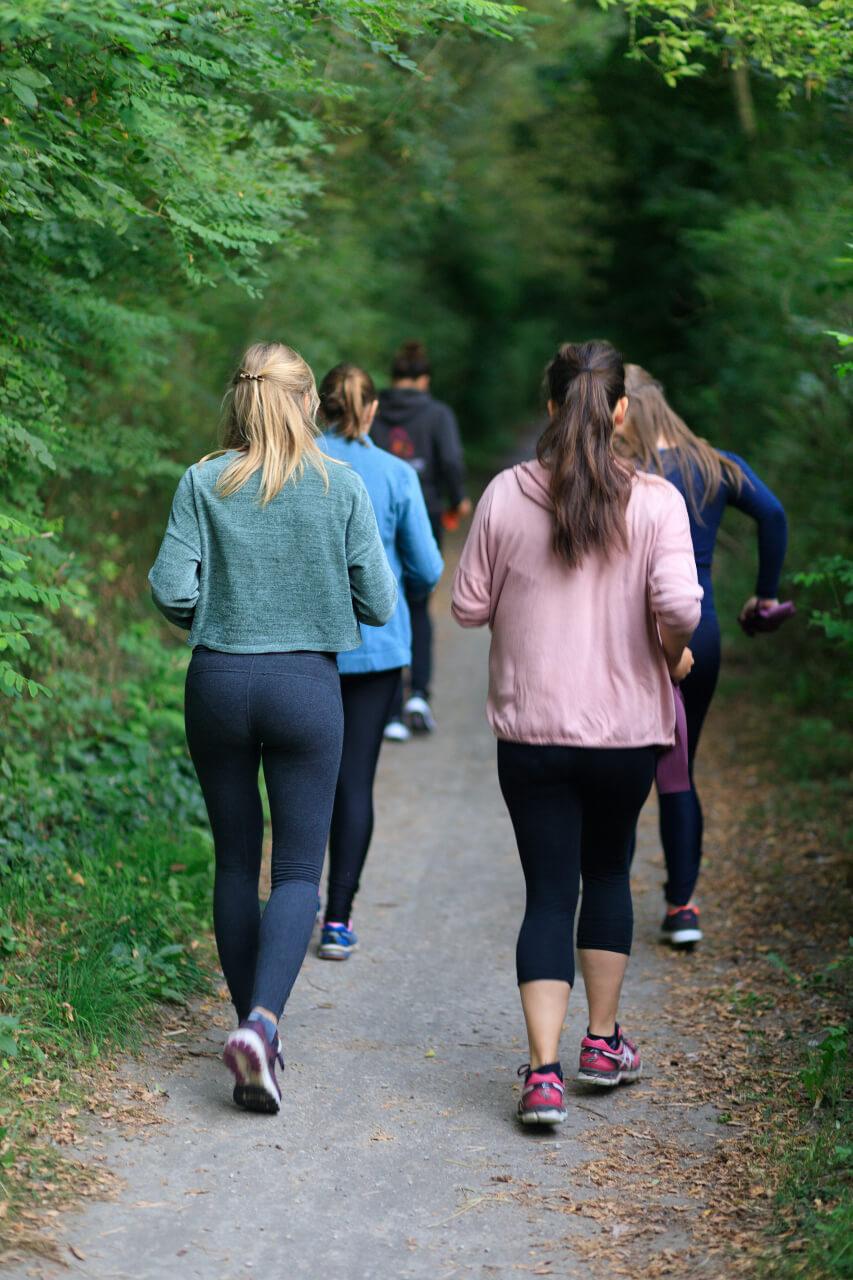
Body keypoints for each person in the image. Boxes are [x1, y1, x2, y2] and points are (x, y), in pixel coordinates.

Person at [451, 341, 701, 1125]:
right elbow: (679, 605)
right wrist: (671, 652)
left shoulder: (507, 492)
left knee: (549, 892)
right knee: (607, 873)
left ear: (551, 406)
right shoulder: (655, 501)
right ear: (621, 411)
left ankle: (541, 1076)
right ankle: (601, 1043)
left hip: (532, 731)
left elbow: (467, 606)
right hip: (625, 734)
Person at [148, 343, 397, 1115]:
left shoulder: (202, 481)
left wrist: (221, 614)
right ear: (307, 403)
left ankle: (250, 1040)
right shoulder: (340, 484)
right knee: (294, 873)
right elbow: (380, 602)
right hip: (304, 687)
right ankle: (261, 1025)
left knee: (234, 862)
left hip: (218, 682)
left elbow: (170, 588)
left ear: (239, 399)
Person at [617, 364, 788, 947]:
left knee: (625, 767)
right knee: (678, 769)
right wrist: (766, 594)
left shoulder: (627, 471)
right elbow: (773, 514)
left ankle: (610, 895)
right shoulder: (717, 464)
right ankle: (683, 908)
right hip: (701, 630)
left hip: (636, 632)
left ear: (628, 412)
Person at [316, 364, 443, 959]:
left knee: (301, 779)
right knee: (354, 782)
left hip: (305, 647)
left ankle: (294, 898)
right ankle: (337, 920)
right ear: (371, 412)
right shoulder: (395, 474)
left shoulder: (297, 466)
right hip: (375, 650)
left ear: (321, 408)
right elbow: (428, 568)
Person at [372, 339, 471, 739]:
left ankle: (390, 708)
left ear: (394, 376)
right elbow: (450, 460)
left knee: (382, 602)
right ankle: (419, 696)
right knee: (417, 602)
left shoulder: (372, 409)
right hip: (424, 514)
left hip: (377, 516)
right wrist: (457, 499)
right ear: (424, 379)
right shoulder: (437, 414)